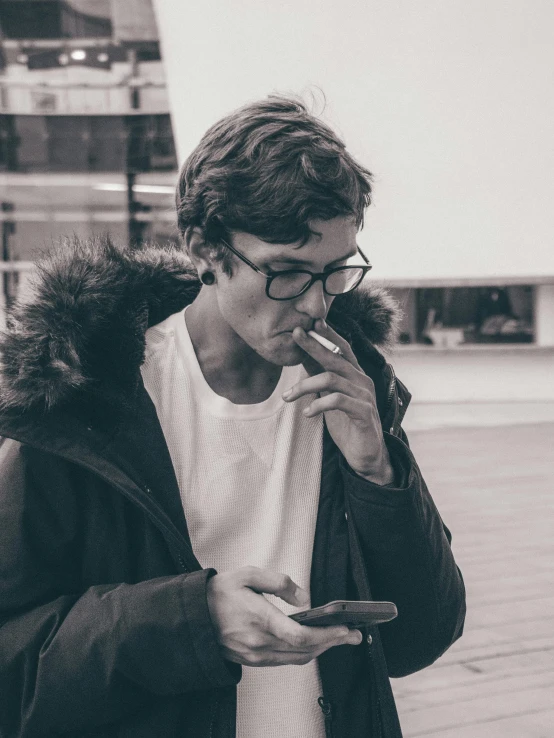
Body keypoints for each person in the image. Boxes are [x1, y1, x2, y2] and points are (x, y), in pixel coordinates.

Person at [0, 95, 465, 738]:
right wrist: (191, 622)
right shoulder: (79, 396)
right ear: (204, 249)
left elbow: (422, 634)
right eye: (285, 273)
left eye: (335, 273)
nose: (315, 304)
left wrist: (378, 469)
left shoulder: (354, 384)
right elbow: (15, 664)